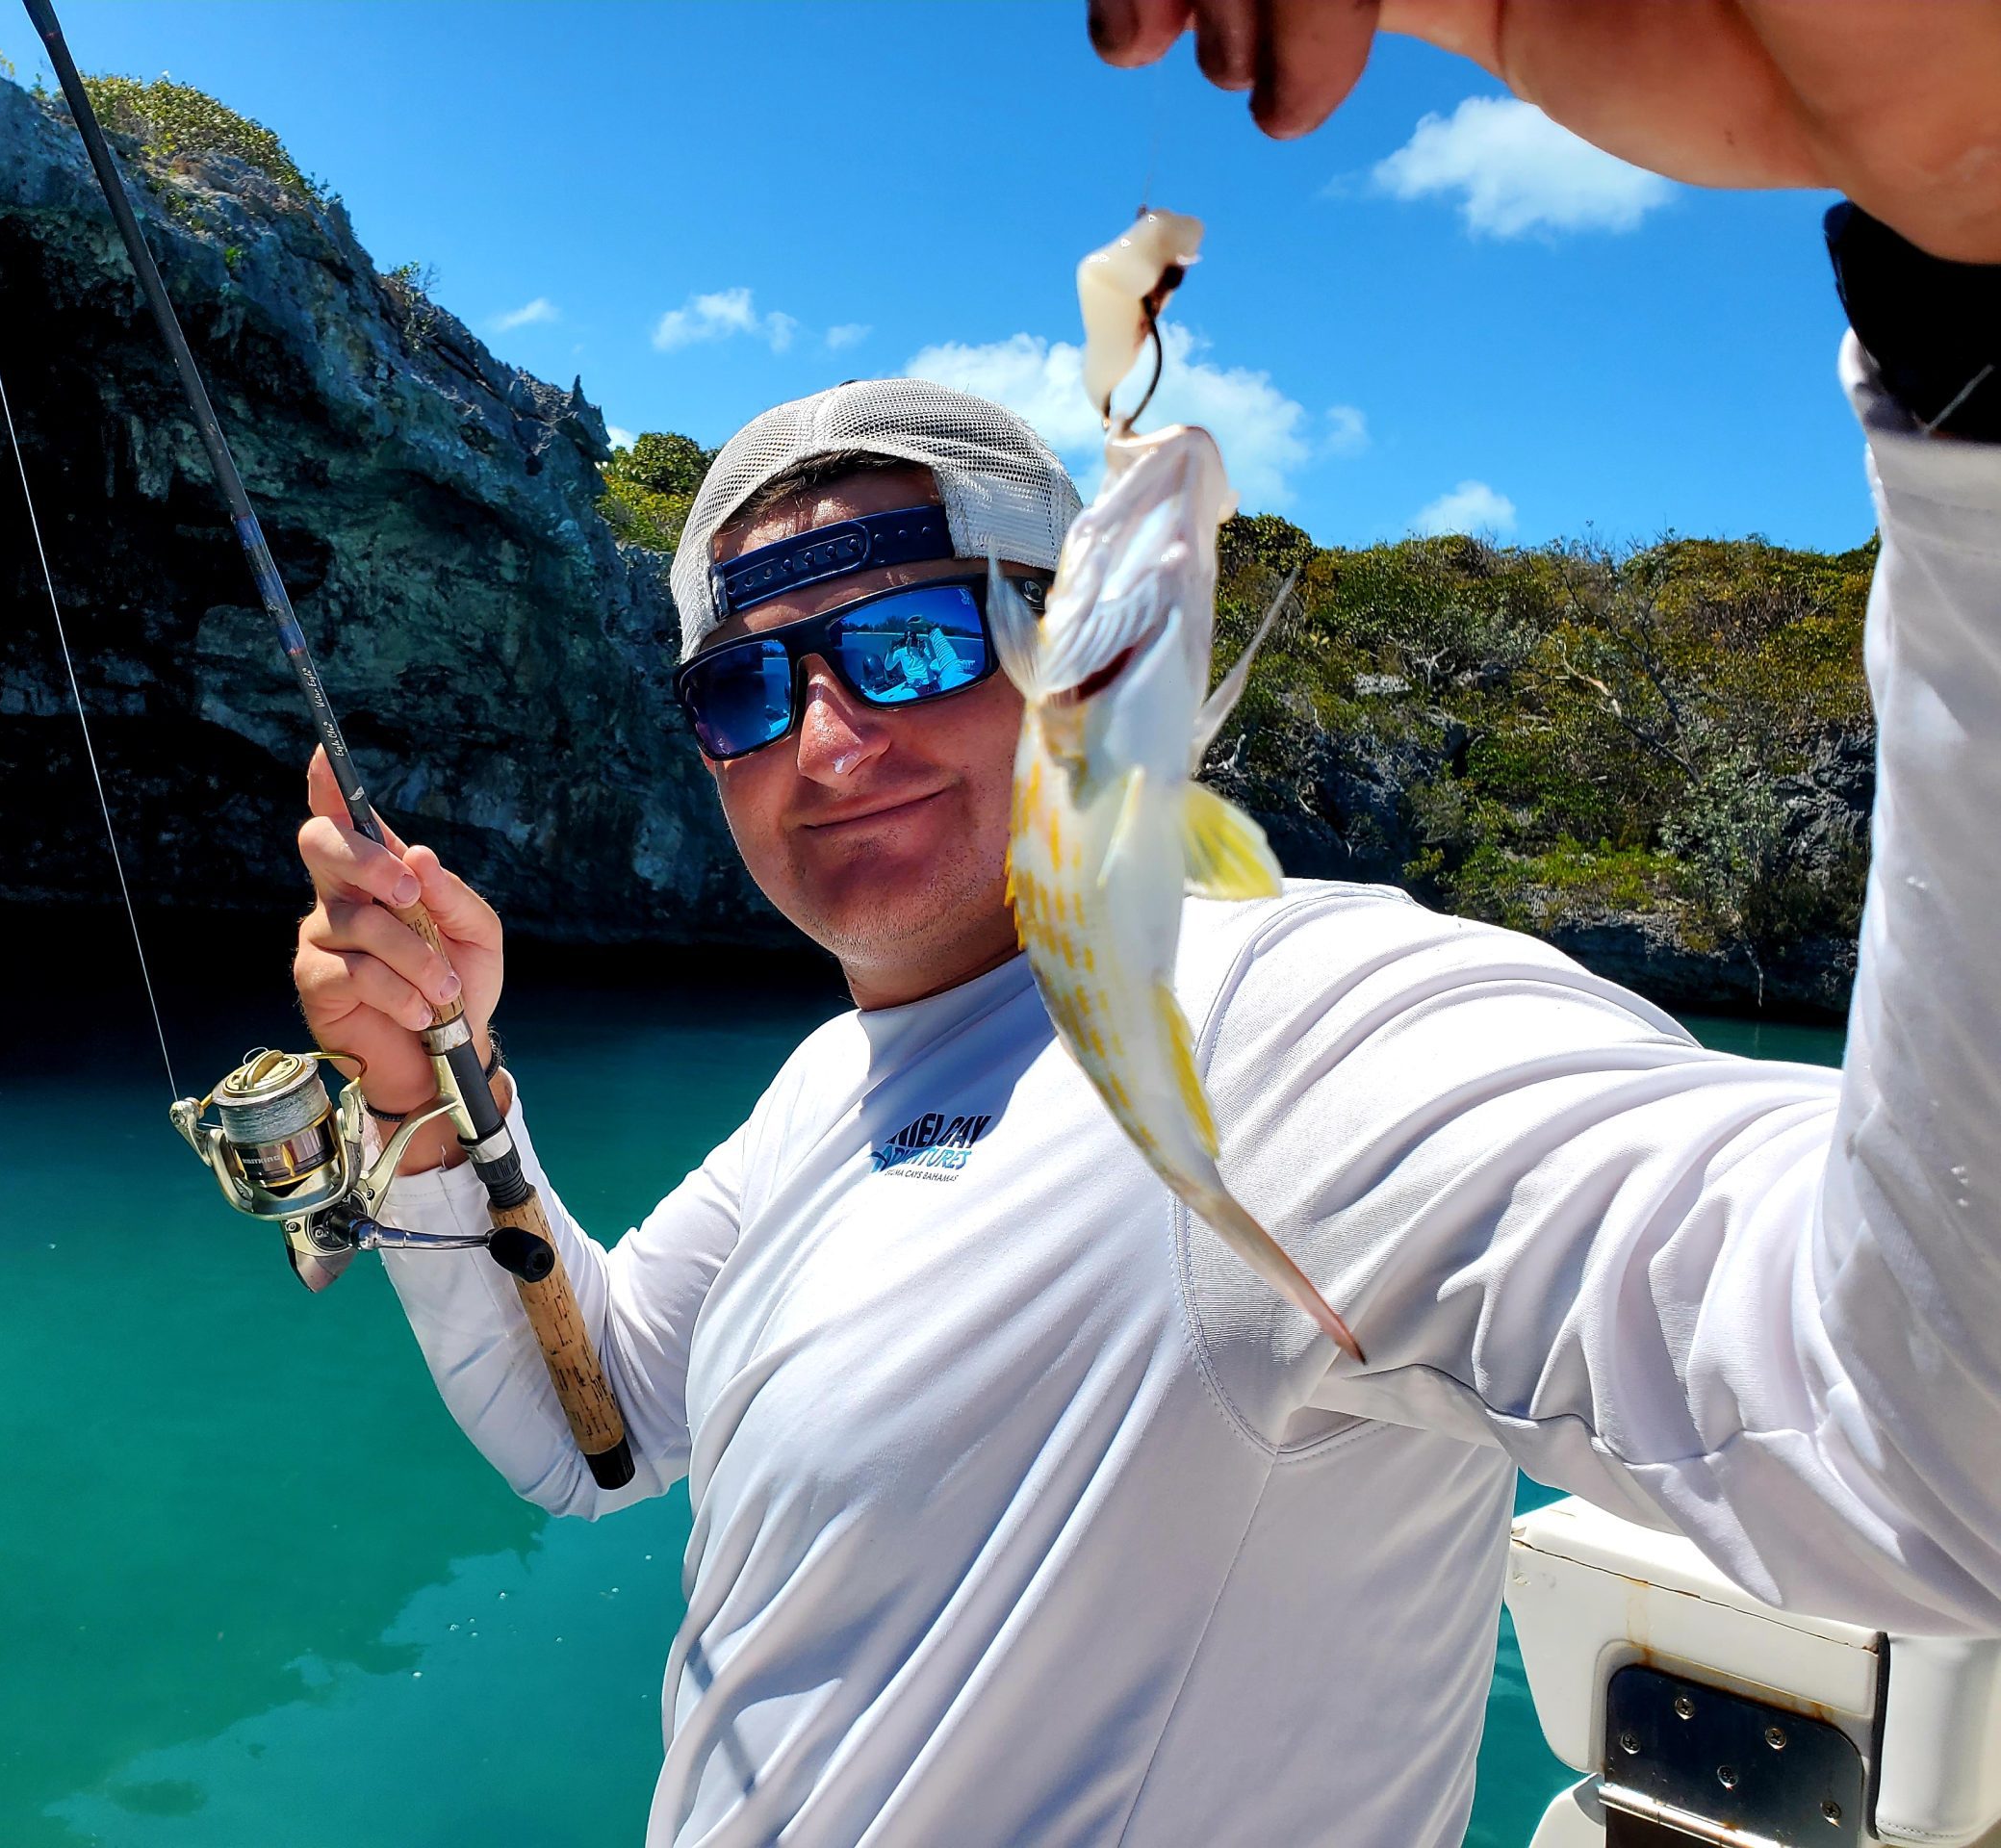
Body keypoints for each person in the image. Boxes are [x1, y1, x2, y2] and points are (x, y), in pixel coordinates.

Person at [292, 8, 2001, 1843]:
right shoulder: (829, 1089)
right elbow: (602, 1423)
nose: (830, 738)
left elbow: (1921, 1437)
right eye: (745, 691)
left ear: (1075, 650)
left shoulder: (1286, 1024)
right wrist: (435, 1101)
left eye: (917, 642)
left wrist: (1966, 274)